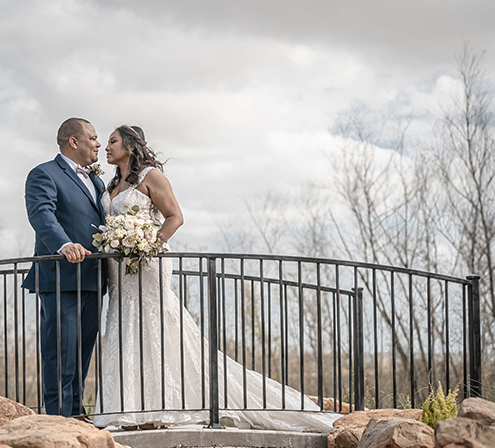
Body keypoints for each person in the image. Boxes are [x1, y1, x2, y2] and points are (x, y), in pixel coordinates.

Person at [93, 125, 337, 432]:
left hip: (146, 262)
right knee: (125, 325)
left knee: (155, 324)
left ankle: (165, 405)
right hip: (119, 270)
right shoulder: (111, 183)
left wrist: (147, 245)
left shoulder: (151, 176)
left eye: (113, 141)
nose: (106, 146)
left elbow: (175, 217)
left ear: (130, 145)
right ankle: (129, 409)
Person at [23, 117, 106, 417]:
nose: (99, 144)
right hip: (61, 278)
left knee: (82, 354)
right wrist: (64, 245)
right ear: (74, 141)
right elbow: (42, 214)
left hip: (94, 280)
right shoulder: (43, 174)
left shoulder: (96, 180)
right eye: (93, 138)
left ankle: (77, 413)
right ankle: (59, 417)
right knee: (60, 353)